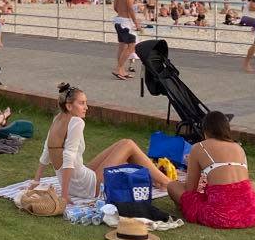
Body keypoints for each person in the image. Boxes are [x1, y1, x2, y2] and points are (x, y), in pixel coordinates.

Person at [32, 84, 172, 201]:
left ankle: (158, 180)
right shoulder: (76, 122)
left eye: (86, 103)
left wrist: (36, 181)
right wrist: (64, 195)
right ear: (69, 106)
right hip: (87, 188)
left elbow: (47, 150)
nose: (86, 107)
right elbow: (68, 157)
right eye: (81, 103)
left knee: (122, 144)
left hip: (74, 182)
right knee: (128, 144)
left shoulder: (57, 119)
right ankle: (168, 183)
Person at [167, 112, 255, 229]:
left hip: (220, 216)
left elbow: (190, 189)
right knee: (253, 185)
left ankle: (183, 209)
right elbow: (241, 184)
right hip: (250, 214)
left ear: (205, 130)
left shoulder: (199, 147)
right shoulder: (239, 148)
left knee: (173, 186)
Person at [112, 0, 142, 80]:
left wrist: (122, 13)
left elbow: (115, 7)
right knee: (131, 46)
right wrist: (136, 22)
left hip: (118, 21)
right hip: (125, 23)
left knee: (122, 46)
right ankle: (118, 69)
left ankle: (122, 70)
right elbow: (130, 8)